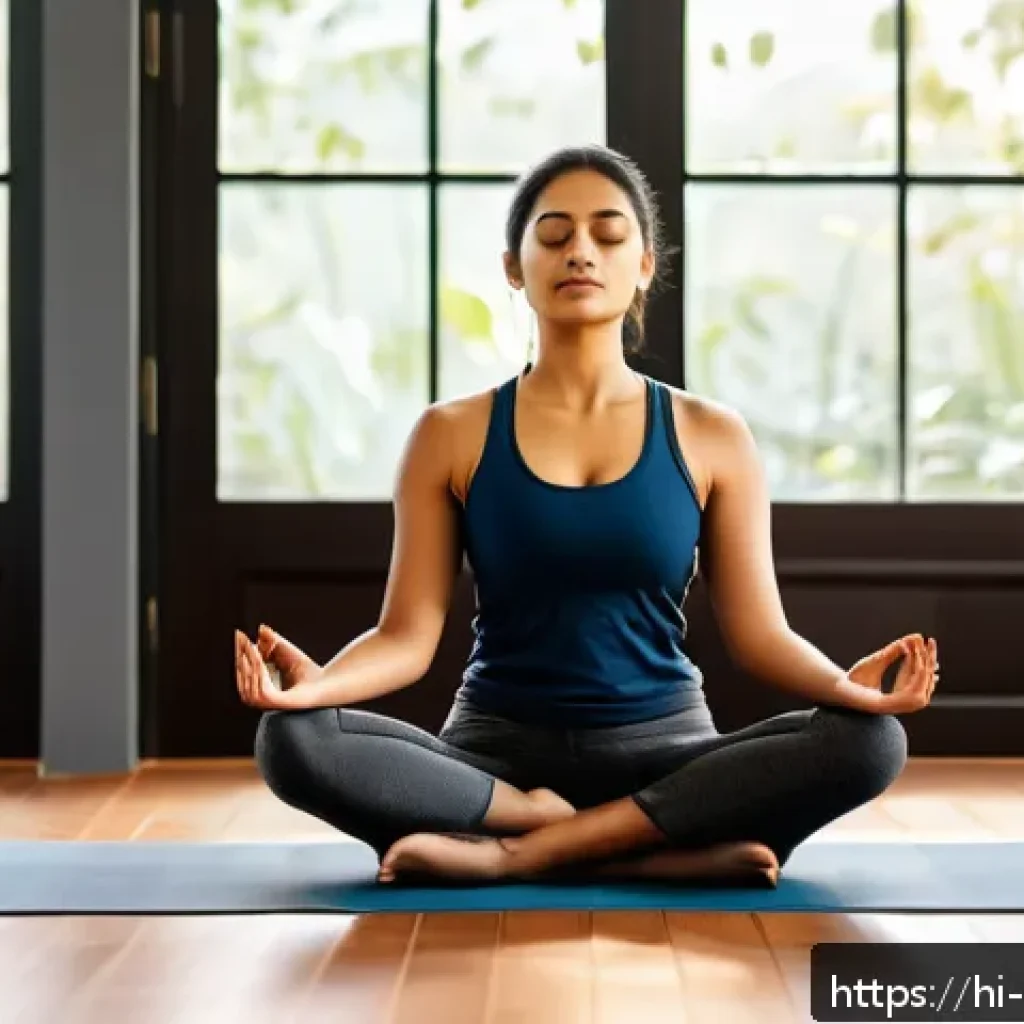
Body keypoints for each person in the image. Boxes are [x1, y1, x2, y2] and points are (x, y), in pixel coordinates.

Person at [235, 144, 938, 888]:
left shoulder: (712, 435)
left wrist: (847, 691)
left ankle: (529, 851)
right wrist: (314, 692)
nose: (581, 252)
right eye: (554, 234)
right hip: (493, 762)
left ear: (643, 263)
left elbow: (761, 637)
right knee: (292, 739)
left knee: (870, 741)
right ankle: (623, 839)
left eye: (608, 234)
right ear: (515, 266)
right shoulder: (450, 433)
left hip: (666, 753)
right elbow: (405, 637)